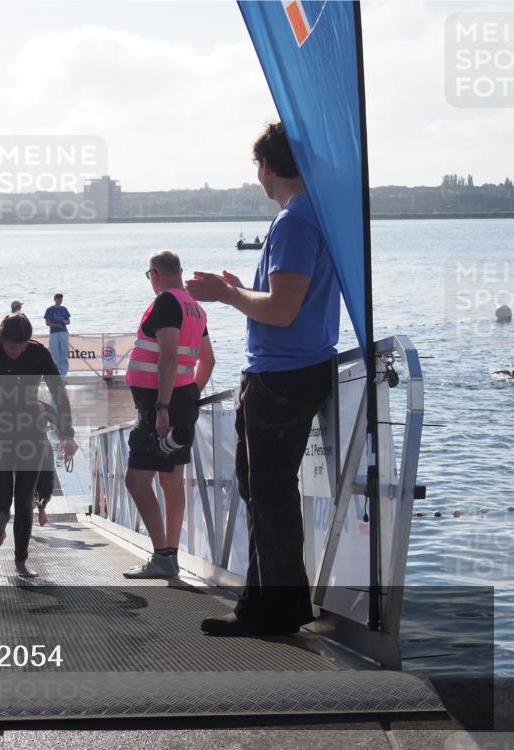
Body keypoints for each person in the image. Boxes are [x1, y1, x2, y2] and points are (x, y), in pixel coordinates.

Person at [186, 121, 340, 637]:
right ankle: (271, 604)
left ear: (268, 166)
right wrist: (236, 289)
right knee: (264, 491)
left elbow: (281, 310)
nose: (257, 175)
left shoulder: (295, 222)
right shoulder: (309, 217)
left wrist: (224, 296)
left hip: (283, 376)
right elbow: (284, 302)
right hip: (292, 370)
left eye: (257, 165)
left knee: (269, 493)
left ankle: (271, 611)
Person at [0, 313, 77, 577]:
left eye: (21, 346)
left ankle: (21, 560)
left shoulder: (38, 353)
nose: (16, 352)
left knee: (23, 500)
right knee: (1, 500)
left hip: (31, 432)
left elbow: (58, 392)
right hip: (0, 432)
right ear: (2, 340)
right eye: (12, 346)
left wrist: (67, 433)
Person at [121, 251, 215, 578]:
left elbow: (170, 357)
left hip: (159, 405)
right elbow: (208, 360)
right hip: (182, 398)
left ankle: (162, 556)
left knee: (136, 480)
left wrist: (163, 407)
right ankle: (169, 556)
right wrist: (190, 396)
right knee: (171, 479)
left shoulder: (166, 303)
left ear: (156, 274)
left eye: (149, 276)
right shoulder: (194, 307)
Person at [43, 293, 71, 377]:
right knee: (55, 353)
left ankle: (63, 374)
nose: (60, 300)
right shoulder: (50, 309)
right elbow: (47, 323)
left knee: (64, 352)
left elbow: (68, 321)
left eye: (61, 299)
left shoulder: (64, 309)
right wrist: (56, 325)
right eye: (58, 299)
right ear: (55, 299)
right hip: (54, 333)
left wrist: (65, 322)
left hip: (63, 332)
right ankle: (56, 373)